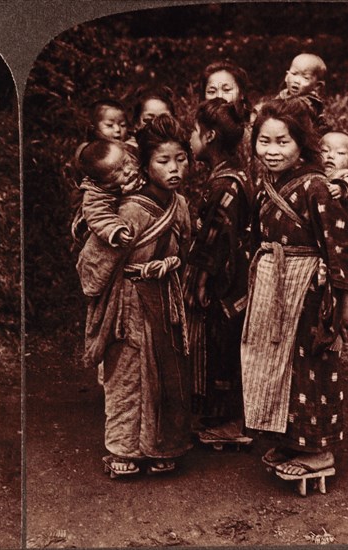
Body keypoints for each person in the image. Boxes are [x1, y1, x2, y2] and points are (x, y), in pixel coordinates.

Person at [241, 98, 348, 479]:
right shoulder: (266, 184)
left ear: (301, 143)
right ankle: (289, 439)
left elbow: (344, 245)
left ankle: (319, 453)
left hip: (309, 290)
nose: (272, 150)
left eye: (282, 142)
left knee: (309, 365)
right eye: (264, 142)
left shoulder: (318, 188)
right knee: (276, 364)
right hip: (272, 282)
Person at [77, 114, 194, 476]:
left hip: (166, 297)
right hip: (129, 302)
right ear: (144, 164)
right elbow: (91, 265)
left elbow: (187, 247)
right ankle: (124, 450)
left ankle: (162, 446)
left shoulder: (181, 204)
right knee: (127, 374)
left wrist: (173, 265)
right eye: (163, 161)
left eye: (181, 159)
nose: (174, 168)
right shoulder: (128, 210)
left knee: (167, 373)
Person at [186, 98, 253, 444]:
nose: (191, 139)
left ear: (209, 136)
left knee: (222, 347)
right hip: (235, 278)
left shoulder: (223, 185)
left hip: (225, 282)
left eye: (194, 133)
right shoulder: (236, 174)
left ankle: (230, 424)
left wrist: (200, 281)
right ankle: (223, 417)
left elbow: (214, 239)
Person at [70, 140, 140, 252]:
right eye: (117, 172)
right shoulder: (96, 195)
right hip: (102, 227)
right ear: (100, 182)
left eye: (126, 162)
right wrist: (116, 231)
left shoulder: (130, 160)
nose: (127, 170)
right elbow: (99, 216)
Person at [276, 53, 329, 133]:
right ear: (286, 77)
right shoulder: (283, 94)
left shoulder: (308, 102)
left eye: (305, 78)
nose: (296, 81)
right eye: (294, 74)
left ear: (317, 86)